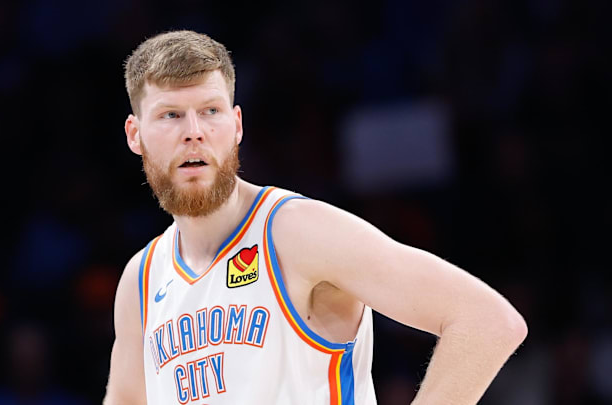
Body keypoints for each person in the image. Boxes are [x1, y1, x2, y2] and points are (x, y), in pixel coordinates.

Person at [103, 30, 527, 405]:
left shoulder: (296, 232)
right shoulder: (141, 280)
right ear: (134, 134)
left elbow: (488, 321)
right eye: (170, 114)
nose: (193, 130)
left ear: (236, 125)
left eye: (210, 110)